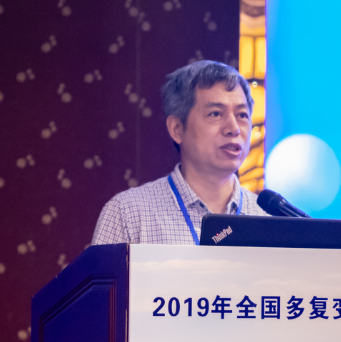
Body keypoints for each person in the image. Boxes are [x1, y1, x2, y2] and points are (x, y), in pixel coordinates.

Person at [91, 60, 268, 245]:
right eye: (215, 114)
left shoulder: (268, 219)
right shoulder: (128, 214)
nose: (234, 128)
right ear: (177, 128)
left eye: (242, 115)